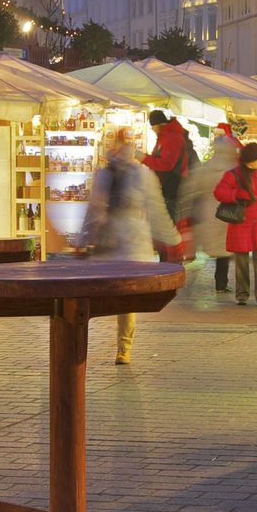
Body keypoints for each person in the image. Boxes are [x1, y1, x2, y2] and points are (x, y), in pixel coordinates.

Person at [86, 128, 179, 365]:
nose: (124, 147)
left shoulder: (141, 173)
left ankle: (123, 348)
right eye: (121, 142)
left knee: (126, 300)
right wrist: (83, 239)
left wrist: (171, 237)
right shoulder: (107, 174)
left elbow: (155, 208)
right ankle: (110, 345)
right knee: (104, 297)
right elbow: (94, 208)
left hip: (129, 245)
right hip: (112, 244)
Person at [214, 141, 257, 307]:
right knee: (241, 263)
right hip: (241, 224)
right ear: (249, 160)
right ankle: (242, 295)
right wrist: (236, 194)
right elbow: (219, 192)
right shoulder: (234, 174)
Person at [184, 122, 241, 292]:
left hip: (209, 212)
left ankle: (220, 282)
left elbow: (193, 188)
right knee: (226, 249)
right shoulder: (233, 169)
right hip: (228, 212)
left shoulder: (207, 167)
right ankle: (222, 283)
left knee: (219, 248)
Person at [141, 109, 195, 221]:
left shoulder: (172, 137)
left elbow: (166, 164)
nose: (152, 129)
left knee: (168, 223)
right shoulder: (165, 137)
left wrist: (144, 158)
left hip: (171, 189)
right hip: (167, 188)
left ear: (160, 125)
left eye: (153, 126)